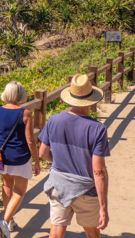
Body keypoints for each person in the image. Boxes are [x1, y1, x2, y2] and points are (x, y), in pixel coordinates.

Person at [38, 74, 110, 238]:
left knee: (56, 232)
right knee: (92, 232)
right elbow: (99, 171)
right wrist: (103, 207)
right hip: (86, 188)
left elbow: (42, 153)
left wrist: (60, 160)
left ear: (70, 98)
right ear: (92, 99)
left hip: (59, 184)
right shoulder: (97, 129)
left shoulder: (54, 120)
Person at [0, 81, 40, 238]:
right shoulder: (25, 113)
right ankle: (5, 222)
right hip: (19, 156)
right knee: (20, 191)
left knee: (7, 185)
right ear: (21, 94)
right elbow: (30, 141)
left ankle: (9, 222)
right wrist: (36, 161)